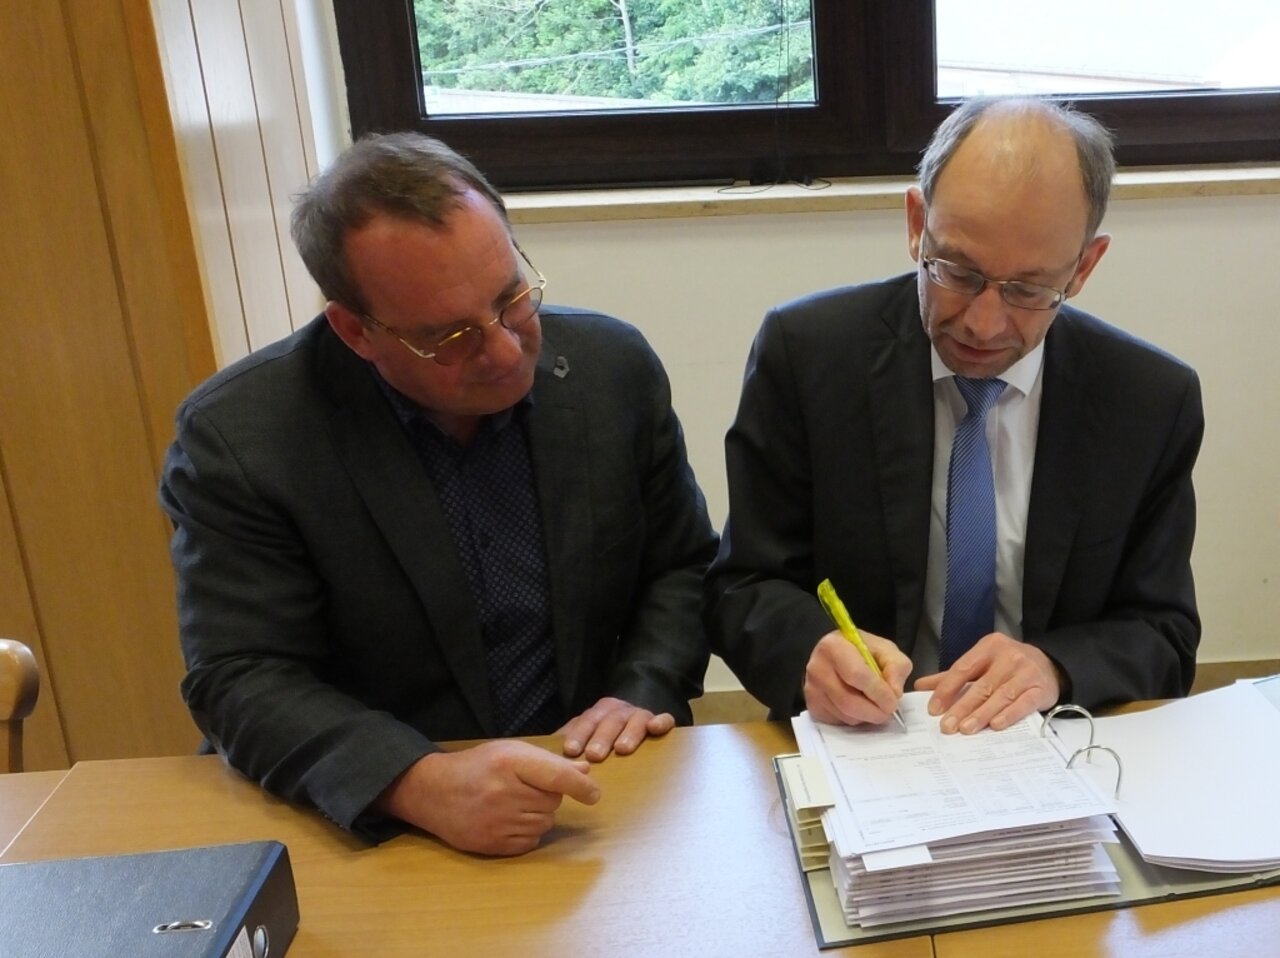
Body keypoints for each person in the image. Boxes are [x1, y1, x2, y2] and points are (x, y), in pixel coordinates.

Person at [160, 132, 718, 855]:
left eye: (512, 298)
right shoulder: (242, 437)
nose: (505, 350)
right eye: (450, 337)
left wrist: (640, 690)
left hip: (592, 786)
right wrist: (416, 781)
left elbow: (682, 565)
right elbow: (240, 675)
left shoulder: (614, 368)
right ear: (356, 331)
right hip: (373, 824)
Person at [704, 96, 1203, 737]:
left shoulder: (1148, 399)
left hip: (1050, 743)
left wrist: (1055, 666)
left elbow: (1165, 633)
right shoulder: (808, 355)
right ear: (917, 224)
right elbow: (742, 586)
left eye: (1028, 290)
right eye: (958, 273)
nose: (983, 324)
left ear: (1084, 266)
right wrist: (810, 651)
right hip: (863, 740)